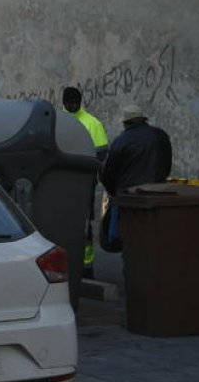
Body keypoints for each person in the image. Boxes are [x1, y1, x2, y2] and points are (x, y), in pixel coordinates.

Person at [99, 104, 173, 249]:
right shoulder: (160, 135)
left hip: (129, 199)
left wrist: (114, 192)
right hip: (158, 194)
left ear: (126, 123)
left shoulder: (121, 141)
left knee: (128, 240)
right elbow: (166, 163)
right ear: (143, 120)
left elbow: (108, 174)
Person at [62, 87, 109, 278]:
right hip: (61, 183)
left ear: (80, 101)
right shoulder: (57, 121)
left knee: (83, 225)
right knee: (62, 223)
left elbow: (102, 156)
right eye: (69, 102)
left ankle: (86, 266)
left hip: (84, 184)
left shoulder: (92, 123)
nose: (72, 105)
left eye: (76, 102)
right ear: (63, 102)